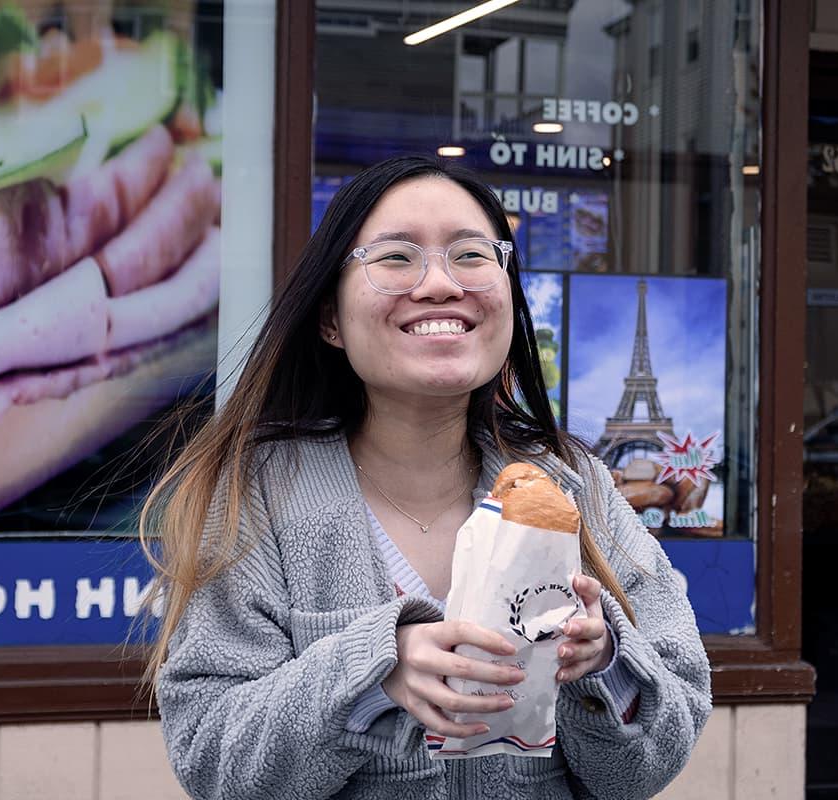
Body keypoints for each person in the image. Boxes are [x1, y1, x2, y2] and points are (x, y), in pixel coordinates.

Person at [138, 155, 711, 799]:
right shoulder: (257, 494)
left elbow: (655, 752)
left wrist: (602, 664)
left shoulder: (576, 485)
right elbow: (215, 762)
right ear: (330, 318)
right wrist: (372, 673)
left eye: (471, 255)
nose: (440, 284)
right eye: (396, 258)